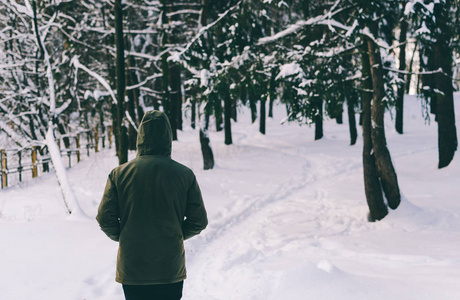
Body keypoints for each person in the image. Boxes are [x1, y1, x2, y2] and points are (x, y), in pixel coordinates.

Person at [96, 111, 208, 300]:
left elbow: (105, 219)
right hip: (169, 267)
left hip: (133, 268)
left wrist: (125, 237)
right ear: (168, 137)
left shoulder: (119, 174)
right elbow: (199, 221)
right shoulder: (184, 174)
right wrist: (176, 235)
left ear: (140, 136)